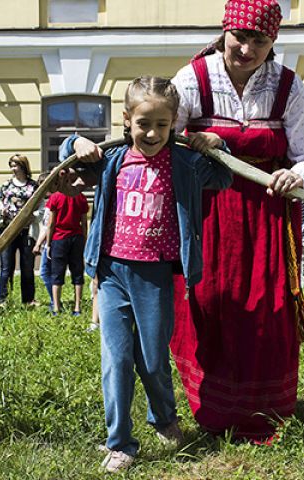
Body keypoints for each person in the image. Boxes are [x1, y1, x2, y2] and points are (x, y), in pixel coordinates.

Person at [169, 0, 304, 443]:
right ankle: (213, 409)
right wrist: (195, 142)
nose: (247, 48)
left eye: (259, 40)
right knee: (211, 302)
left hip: (268, 220)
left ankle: (265, 411)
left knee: (267, 309)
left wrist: (293, 174)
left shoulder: (288, 87)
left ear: (272, 41)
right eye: (240, 37)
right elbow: (163, 143)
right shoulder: (193, 79)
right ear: (225, 31)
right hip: (208, 215)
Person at [59, 76, 232, 472]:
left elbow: (222, 177)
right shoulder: (113, 158)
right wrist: (76, 143)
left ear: (174, 124)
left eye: (162, 124)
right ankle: (119, 442)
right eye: (143, 124)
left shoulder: (185, 163)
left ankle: (164, 417)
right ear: (126, 120)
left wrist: (217, 145)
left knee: (152, 359)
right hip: (113, 270)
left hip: (155, 276)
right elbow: (72, 155)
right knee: (116, 359)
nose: (152, 133)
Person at [0, 154, 43, 307]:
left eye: (16, 165)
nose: (13, 169)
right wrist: (1, 212)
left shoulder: (33, 186)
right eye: (11, 165)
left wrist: (32, 217)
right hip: (7, 230)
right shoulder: (6, 185)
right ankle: (3, 300)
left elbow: (41, 207)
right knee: (6, 266)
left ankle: (28, 299)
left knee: (27, 267)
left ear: (23, 166)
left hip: (26, 231)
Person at [45, 190, 88, 316]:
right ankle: (77, 308)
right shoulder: (81, 196)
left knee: (56, 274)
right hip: (77, 238)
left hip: (59, 239)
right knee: (78, 274)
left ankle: (56, 308)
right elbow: (84, 223)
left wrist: (48, 243)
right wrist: (84, 241)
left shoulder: (55, 197)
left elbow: (51, 223)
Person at [32, 172, 54, 309]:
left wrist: (38, 244)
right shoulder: (45, 203)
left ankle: (54, 301)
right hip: (52, 241)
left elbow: (48, 227)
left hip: (50, 243)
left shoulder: (52, 203)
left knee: (45, 273)